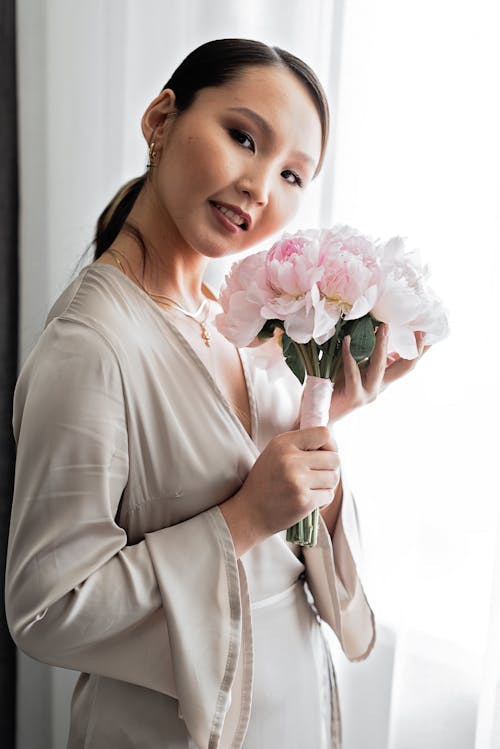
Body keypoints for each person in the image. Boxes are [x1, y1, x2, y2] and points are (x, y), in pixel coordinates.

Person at [5, 38, 428, 748]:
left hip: (290, 711)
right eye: (243, 137)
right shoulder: (91, 345)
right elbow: (48, 606)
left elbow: (277, 521)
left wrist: (317, 432)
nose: (261, 187)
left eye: (294, 174)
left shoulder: (239, 319)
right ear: (161, 118)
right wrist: (245, 517)